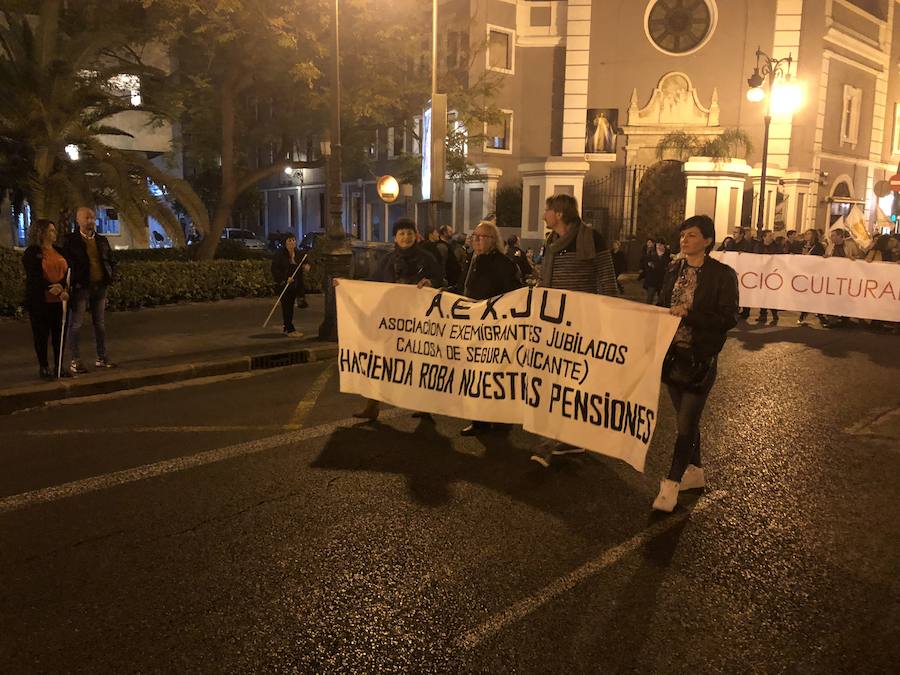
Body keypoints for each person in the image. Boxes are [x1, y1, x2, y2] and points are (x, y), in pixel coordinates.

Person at [653, 215, 738, 512]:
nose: (684, 240)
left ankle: (672, 484)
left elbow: (728, 318)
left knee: (686, 423)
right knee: (685, 420)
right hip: (672, 356)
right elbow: (663, 303)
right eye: (682, 235)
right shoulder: (674, 268)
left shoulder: (722, 275)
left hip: (699, 359)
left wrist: (689, 314)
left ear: (707, 241)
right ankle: (696, 472)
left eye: (691, 235)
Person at [530, 193, 619, 467]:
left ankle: (561, 440)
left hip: (582, 321)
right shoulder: (551, 242)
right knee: (554, 379)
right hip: (554, 322)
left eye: (547, 210)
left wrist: (611, 318)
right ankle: (564, 438)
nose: (544, 215)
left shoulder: (591, 238)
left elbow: (605, 277)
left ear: (558, 213)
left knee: (574, 381)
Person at [351, 218, 444, 421]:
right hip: (391, 322)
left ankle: (424, 404)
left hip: (418, 323)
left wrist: (431, 283)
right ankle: (372, 405)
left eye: (409, 233)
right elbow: (372, 284)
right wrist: (347, 287)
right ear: (395, 237)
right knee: (380, 361)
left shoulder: (427, 259)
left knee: (419, 363)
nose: (406, 237)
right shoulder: (388, 260)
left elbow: (440, 281)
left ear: (416, 235)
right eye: (401, 233)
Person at [455, 220, 523, 435]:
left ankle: (502, 420)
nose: (476, 240)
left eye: (482, 236)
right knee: (475, 373)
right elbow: (461, 288)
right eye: (474, 236)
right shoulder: (472, 260)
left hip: (495, 328)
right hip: (473, 326)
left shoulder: (504, 264)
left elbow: (514, 294)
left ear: (494, 241)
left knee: (495, 374)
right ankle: (479, 420)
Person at [63, 207, 116, 374]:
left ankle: (102, 356)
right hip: (81, 288)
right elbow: (67, 263)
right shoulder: (71, 241)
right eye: (87, 218)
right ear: (78, 220)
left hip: (100, 287)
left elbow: (110, 260)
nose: (91, 221)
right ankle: (75, 360)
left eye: (92, 217)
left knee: (99, 324)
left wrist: (111, 276)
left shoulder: (101, 240)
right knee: (76, 325)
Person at [22, 219, 70, 379]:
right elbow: (34, 276)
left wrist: (62, 287)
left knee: (59, 334)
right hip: (40, 301)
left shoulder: (59, 251)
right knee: (41, 335)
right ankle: (44, 366)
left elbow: (69, 272)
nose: (54, 233)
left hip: (59, 301)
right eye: (50, 230)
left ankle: (59, 365)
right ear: (41, 233)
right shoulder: (32, 252)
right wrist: (51, 287)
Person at [271, 233, 308, 337]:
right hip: (285, 284)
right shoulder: (280, 254)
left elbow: (304, 262)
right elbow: (275, 269)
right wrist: (284, 278)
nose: (292, 243)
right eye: (289, 241)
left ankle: (287, 327)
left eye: (293, 240)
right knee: (287, 306)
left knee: (290, 307)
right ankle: (289, 329)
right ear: (285, 243)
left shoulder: (298, 253)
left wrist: (306, 266)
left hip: (295, 285)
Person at [796, 230, 827, 327]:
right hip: (804, 273)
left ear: (813, 235)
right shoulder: (802, 244)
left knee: (814, 295)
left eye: (808, 234)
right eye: (805, 233)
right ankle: (804, 313)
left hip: (815, 273)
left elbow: (820, 259)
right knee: (806, 295)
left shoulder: (819, 246)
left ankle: (818, 315)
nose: (806, 235)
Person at [753, 230, 782, 324]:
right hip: (762, 273)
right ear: (764, 237)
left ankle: (774, 314)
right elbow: (754, 256)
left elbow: (781, 256)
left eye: (772, 236)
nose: (771, 237)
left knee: (772, 295)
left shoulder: (776, 246)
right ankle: (762, 314)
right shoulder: (758, 246)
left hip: (773, 273)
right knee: (763, 295)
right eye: (769, 236)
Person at [641, 240, 671, 304]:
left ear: (664, 245)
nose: (659, 246)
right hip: (652, 279)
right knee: (650, 298)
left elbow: (668, 265)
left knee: (661, 299)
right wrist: (651, 267)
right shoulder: (651, 253)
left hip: (662, 279)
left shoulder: (667, 255)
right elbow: (646, 264)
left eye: (661, 244)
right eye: (658, 244)